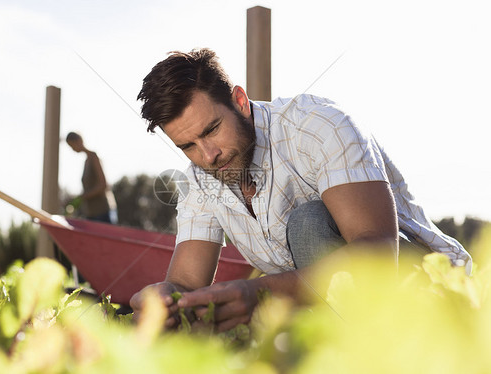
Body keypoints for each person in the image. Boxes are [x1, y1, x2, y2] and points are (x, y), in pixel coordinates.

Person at [130, 48, 471, 332]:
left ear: (240, 101)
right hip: (332, 313)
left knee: (307, 222)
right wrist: (166, 299)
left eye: (213, 129)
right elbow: (187, 282)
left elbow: (380, 252)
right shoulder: (200, 177)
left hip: (428, 291)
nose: (207, 155)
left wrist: (262, 291)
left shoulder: (318, 125)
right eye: (187, 146)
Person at [66, 132, 117, 224]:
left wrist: (83, 197)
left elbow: (103, 185)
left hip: (102, 212)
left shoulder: (93, 157)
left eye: (72, 145)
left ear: (79, 140)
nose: (73, 149)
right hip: (91, 213)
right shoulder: (86, 161)